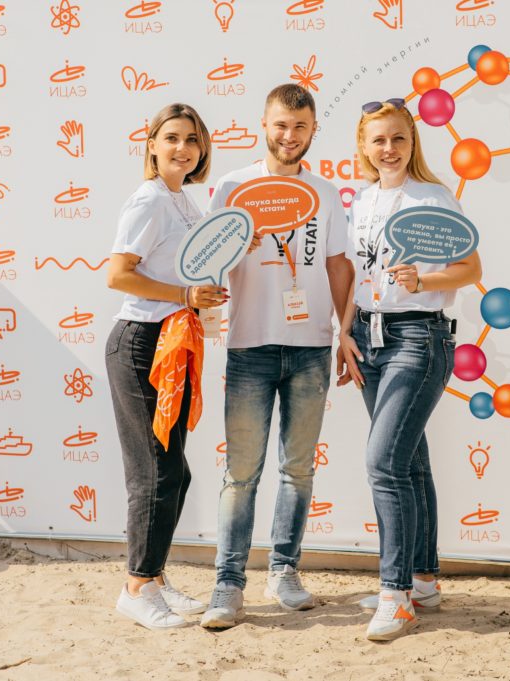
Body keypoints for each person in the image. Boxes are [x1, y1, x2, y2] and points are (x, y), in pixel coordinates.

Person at [200, 84, 353, 629]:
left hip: (311, 348)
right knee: (241, 473)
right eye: (281, 125)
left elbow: (338, 264)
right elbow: (207, 264)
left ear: (313, 130)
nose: (290, 136)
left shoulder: (326, 192)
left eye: (300, 126)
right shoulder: (232, 186)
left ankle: (284, 571)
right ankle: (228, 584)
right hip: (249, 345)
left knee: (297, 471)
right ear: (263, 125)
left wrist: (345, 331)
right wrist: (225, 259)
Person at [337, 98, 482, 641]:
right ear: (363, 146)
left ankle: (394, 596)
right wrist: (343, 334)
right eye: (378, 139)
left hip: (418, 339)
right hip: (367, 338)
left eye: (398, 138)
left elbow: (471, 267)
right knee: (410, 462)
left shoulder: (434, 197)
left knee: (384, 464)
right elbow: (355, 275)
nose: (389, 148)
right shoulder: (361, 201)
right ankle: (422, 581)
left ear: (412, 141)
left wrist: (424, 281)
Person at [106, 103, 227, 630]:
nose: (183, 148)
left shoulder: (181, 198)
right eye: (172, 137)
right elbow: (118, 275)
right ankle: (136, 588)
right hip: (140, 344)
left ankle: (153, 577)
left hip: (171, 341)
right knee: (155, 472)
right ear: (152, 144)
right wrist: (184, 295)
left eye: (192, 139)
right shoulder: (149, 199)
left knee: (175, 472)